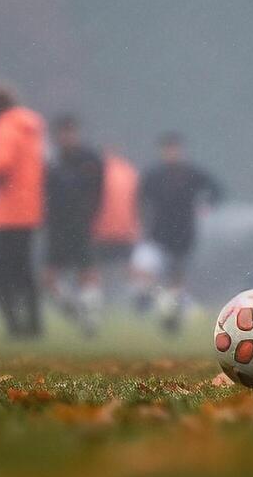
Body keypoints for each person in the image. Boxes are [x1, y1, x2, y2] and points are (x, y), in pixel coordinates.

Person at [0, 83, 46, 339]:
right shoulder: (30, 127)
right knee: (23, 269)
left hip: (8, 211)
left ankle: (14, 324)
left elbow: (1, 165)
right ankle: (34, 324)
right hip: (30, 208)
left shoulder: (3, 126)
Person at [136, 132, 222, 335]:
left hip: (183, 234)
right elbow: (139, 200)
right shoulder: (154, 176)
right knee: (145, 272)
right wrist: (140, 223)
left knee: (176, 277)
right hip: (157, 234)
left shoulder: (192, 173)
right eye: (168, 149)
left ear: (181, 150)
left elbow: (217, 190)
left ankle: (172, 317)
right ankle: (159, 303)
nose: (171, 153)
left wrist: (207, 205)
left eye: (174, 149)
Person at [44, 114, 106, 335]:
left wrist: (91, 216)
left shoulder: (90, 159)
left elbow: (99, 192)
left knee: (86, 272)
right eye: (63, 133)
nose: (68, 137)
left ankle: (90, 321)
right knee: (50, 278)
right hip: (56, 225)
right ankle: (73, 309)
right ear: (57, 136)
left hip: (81, 224)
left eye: (71, 132)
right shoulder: (51, 161)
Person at [92, 147, 142, 300]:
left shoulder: (96, 172)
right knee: (129, 270)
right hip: (126, 232)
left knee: (94, 270)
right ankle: (140, 301)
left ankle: (96, 302)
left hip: (101, 231)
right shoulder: (129, 172)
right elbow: (138, 203)